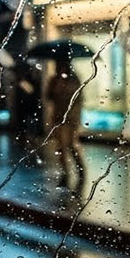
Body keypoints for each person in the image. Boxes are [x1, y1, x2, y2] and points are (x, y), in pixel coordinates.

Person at [45, 60, 85, 190]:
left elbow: (77, 97)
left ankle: (80, 169)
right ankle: (65, 173)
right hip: (58, 117)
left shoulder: (73, 79)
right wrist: (55, 85)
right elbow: (48, 96)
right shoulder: (54, 79)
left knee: (70, 144)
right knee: (60, 146)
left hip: (70, 118)